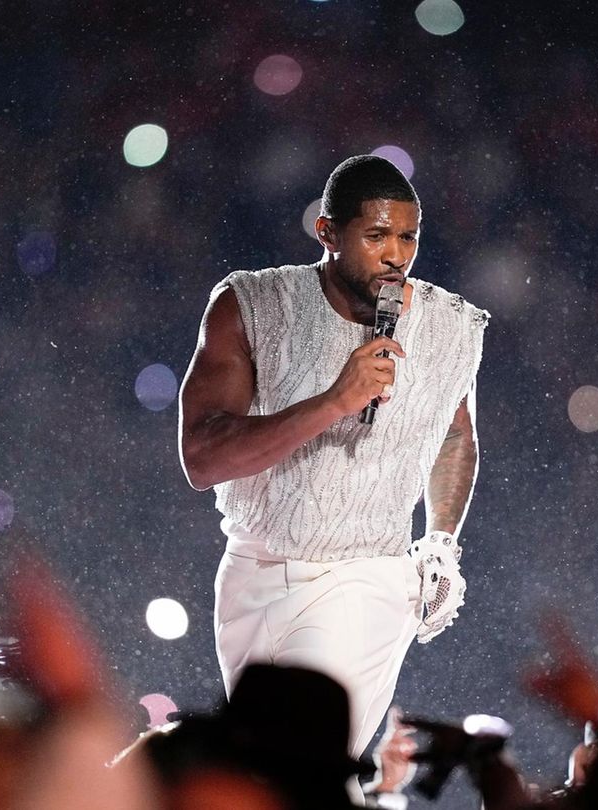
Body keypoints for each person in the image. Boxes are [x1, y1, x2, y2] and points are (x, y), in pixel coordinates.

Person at [178, 154, 489, 754]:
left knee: (299, 755)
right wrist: (334, 402)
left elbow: (455, 435)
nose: (396, 254)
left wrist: (443, 544)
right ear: (327, 232)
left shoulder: (448, 326)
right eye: (376, 236)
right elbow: (202, 459)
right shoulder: (253, 306)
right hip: (253, 573)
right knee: (271, 771)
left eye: (407, 237)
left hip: (365, 577)